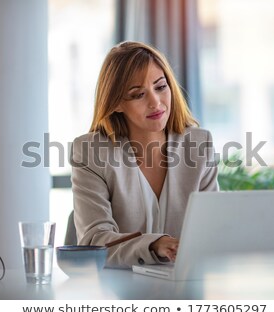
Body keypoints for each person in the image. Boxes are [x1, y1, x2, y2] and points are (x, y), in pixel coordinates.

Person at [70, 41, 219, 268]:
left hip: (185, 285)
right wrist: (154, 244)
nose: (155, 102)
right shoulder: (90, 152)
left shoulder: (200, 144)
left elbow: (214, 230)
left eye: (160, 87)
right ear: (117, 103)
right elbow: (94, 241)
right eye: (138, 94)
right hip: (117, 292)